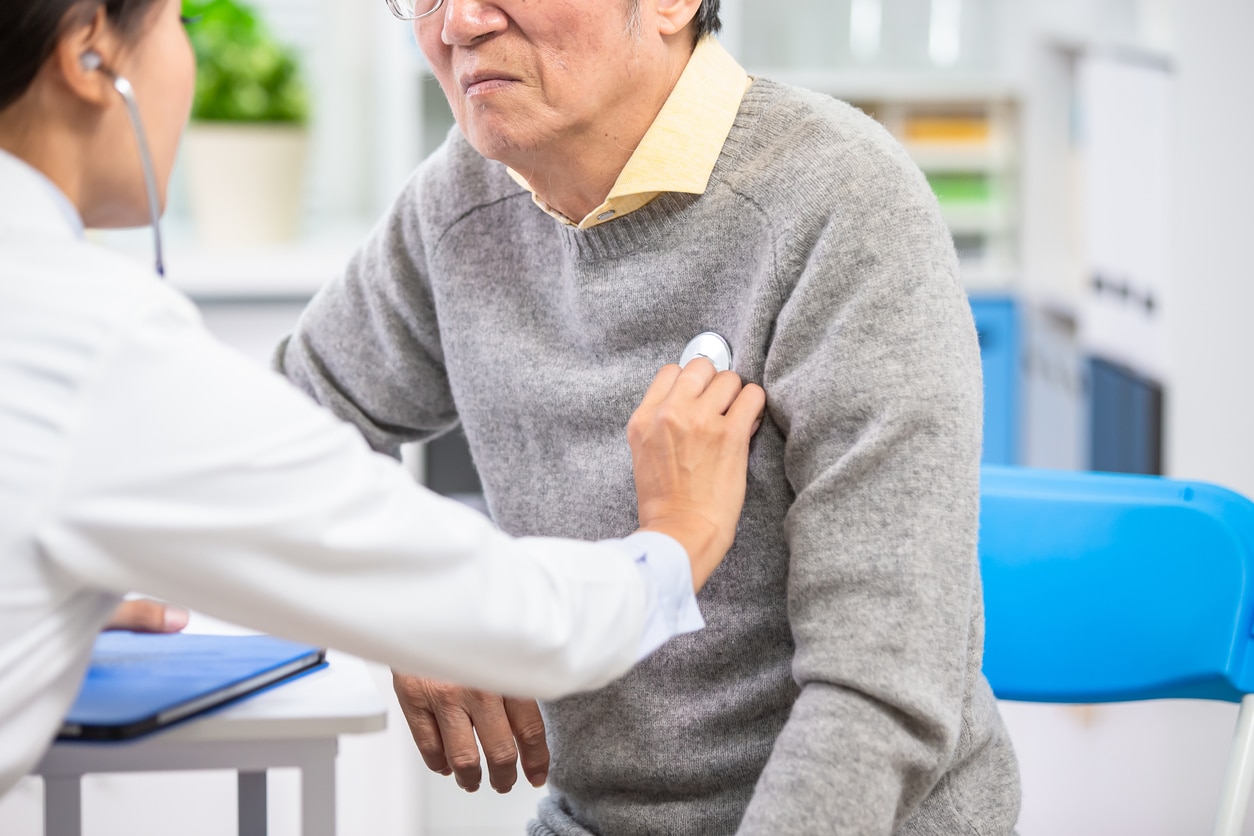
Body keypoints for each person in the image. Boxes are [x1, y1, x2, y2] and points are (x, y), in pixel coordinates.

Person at [276, 0, 1023, 833]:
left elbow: (878, 695)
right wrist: (410, 596)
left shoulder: (842, 203)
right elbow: (280, 436)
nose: (458, 23)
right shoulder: (462, 201)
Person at [0, 0, 767, 798]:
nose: (463, 23)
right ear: (90, 53)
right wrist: (681, 535)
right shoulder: (87, 341)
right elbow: (524, 617)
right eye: (179, 24)